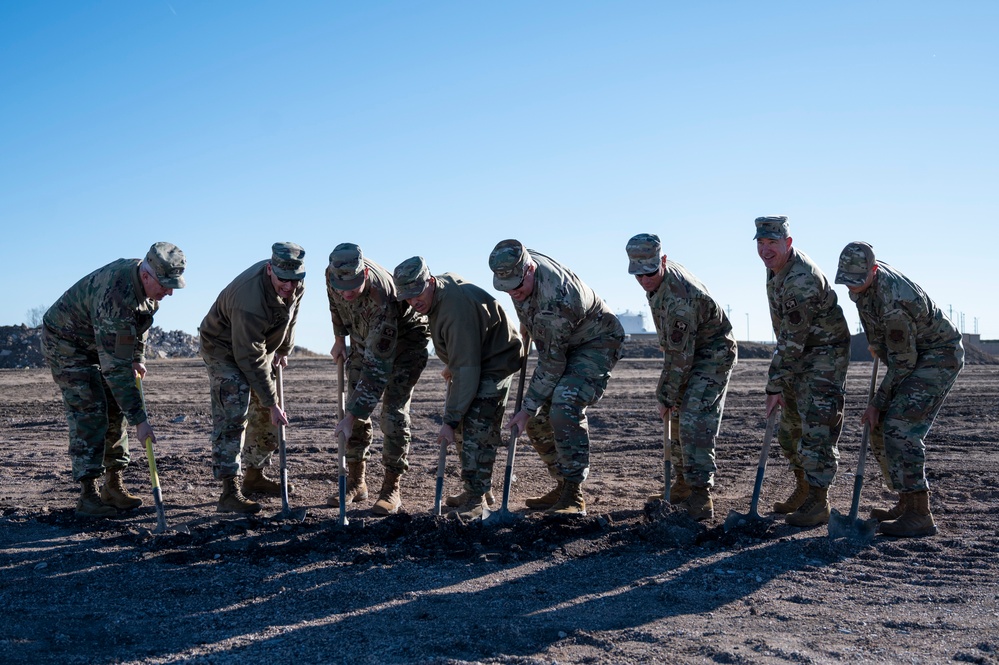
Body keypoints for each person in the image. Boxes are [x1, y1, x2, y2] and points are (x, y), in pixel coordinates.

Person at [41, 242, 187, 517]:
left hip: (96, 339)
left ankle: (113, 485)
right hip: (66, 342)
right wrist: (141, 421)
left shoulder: (147, 286)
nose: (169, 292)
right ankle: (88, 495)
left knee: (114, 407)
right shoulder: (116, 297)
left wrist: (137, 357)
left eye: (173, 285)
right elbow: (115, 370)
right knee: (90, 408)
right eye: (165, 285)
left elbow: (140, 322)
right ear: (146, 276)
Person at [835, 241, 963, 537]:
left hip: (937, 355)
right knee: (881, 426)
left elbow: (904, 363)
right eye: (848, 282)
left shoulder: (893, 302)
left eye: (858, 282)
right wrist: (878, 344)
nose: (852, 288)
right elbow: (876, 323)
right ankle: (906, 502)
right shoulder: (863, 282)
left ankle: (920, 514)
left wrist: (876, 402)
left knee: (900, 426)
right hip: (911, 352)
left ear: (874, 270)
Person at [488, 239, 625, 516]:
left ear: (529, 269)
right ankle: (563, 485)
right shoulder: (517, 264)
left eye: (517, 286)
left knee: (564, 402)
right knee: (538, 419)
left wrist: (526, 408)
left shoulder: (557, 301)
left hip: (596, 342)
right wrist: (528, 322)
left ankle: (574, 495)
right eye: (507, 288)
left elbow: (551, 364)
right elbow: (527, 300)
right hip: (562, 339)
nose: (513, 292)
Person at [392, 256, 523, 520]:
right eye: (407, 297)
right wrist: (453, 360)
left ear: (430, 281)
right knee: (464, 425)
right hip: (476, 356)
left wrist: (449, 421)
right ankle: (476, 489)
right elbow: (462, 356)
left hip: (494, 361)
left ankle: (476, 501)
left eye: (417, 293)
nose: (413, 301)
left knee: (476, 426)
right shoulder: (438, 295)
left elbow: (467, 371)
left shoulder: (454, 309)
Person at [625, 233, 736, 521]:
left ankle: (701, 495)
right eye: (638, 274)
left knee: (693, 416)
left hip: (712, 353)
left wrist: (665, 395)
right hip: (688, 349)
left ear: (662, 260)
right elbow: (676, 351)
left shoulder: (679, 298)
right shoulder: (658, 280)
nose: (645, 280)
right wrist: (670, 396)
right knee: (676, 414)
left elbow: (680, 357)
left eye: (650, 272)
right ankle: (683, 485)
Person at [755, 216, 851, 527]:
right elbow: (788, 337)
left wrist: (774, 385)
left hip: (824, 355)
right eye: (761, 242)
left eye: (772, 243)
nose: (766, 249)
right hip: (799, 354)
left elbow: (792, 339)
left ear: (788, 243)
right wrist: (781, 381)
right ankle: (804, 487)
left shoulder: (800, 279)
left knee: (816, 429)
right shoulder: (776, 269)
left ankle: (818, 502)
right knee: (789, 430)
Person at [199, 242, 306, 514]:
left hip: (258, 345)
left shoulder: (292, 283)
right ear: (270, 270)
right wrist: (271, 402)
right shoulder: (250, 300)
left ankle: (254, 475)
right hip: (223, 347)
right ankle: (229, 492)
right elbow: (250, 358)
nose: (289, 287)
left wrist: (284, 348)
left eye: (295, 281)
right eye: (284, 281)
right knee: (234, 412)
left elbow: (290, 316)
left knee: (269, 415)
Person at [327, 243, 430, 516]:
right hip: (363, 340)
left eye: (353, 286)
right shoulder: (333, 275)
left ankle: (391, 489)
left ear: (364, 274)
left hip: (405, 345)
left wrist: (351, 416)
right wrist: (340, 339)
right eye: (342, 286)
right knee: (354, 409)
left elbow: (377, 370)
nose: (346, 292)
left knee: (391, 413)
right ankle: (356, 482)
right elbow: (335, 305)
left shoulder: (382, 298)